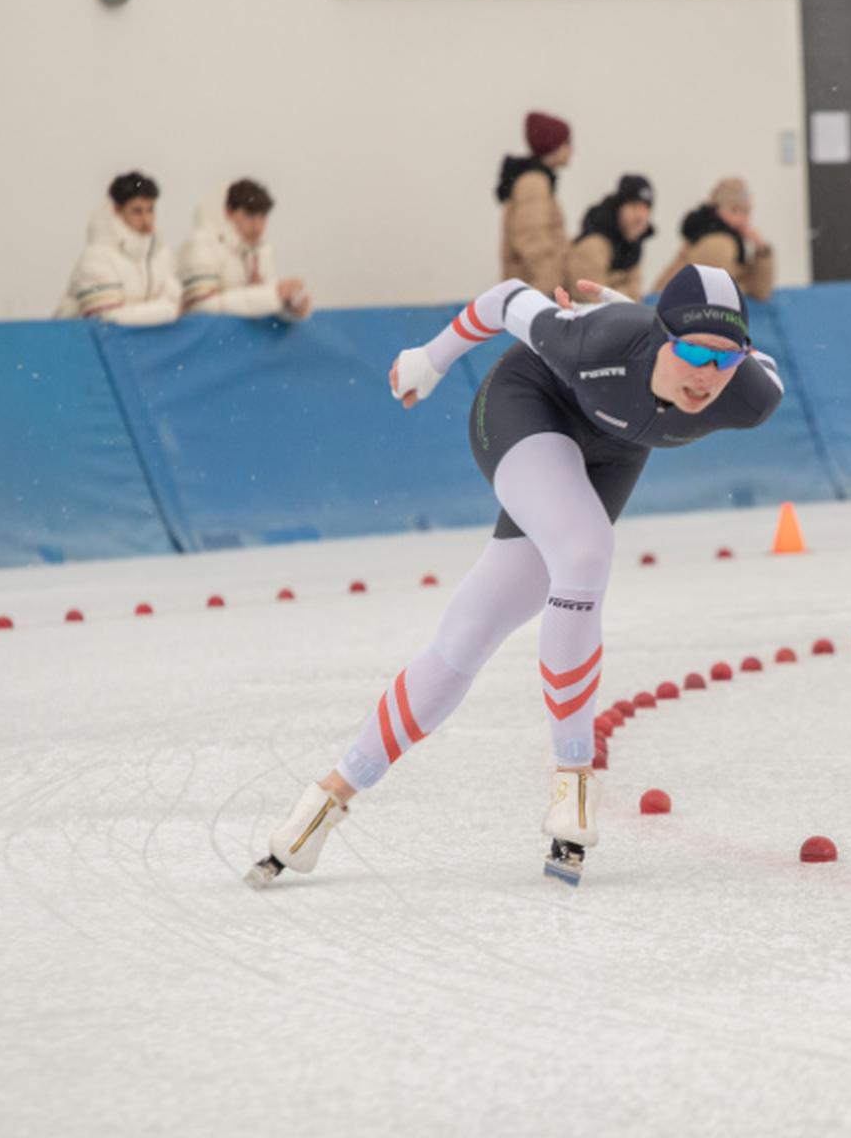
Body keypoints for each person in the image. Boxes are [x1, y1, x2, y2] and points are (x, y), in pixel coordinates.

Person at [247, 264, 785, 889]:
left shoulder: (750, 393)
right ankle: (575, 780)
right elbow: (506, 300)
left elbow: (766, 370)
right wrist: (432, 355)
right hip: (527, 406)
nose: (707, 375)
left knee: (469, 634)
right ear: (663, 335)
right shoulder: (595, 343)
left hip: (610, 455)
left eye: (726, 358)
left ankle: (324, 800)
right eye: (692, 350)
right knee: (585, 554)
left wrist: (655, 319)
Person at [55, 171, 181, 324]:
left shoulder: (162, 255)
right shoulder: (97, 257)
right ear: (117, 211)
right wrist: (166, 311)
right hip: (79, 345)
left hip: (135, 345)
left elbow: (177, 303)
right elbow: (108, 317)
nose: (147, 219)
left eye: (150, 209)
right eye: (137, 211)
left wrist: (165, 310)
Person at [178, 178, 311, 319]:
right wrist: (274, 295)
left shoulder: (258, 251)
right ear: (228, 211)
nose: (258, 226)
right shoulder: (200, 245)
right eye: (250, 215)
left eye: (263, 216)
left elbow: (265, 304)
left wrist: (290, 305)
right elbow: (201, 306)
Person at [652, 177, 775, 301]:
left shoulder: (733, 244)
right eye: (734, 210)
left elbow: (760, 292)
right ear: (717, 210)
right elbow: (717, 298)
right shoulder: (717, 244)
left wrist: (761, 249)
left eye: (746, 212)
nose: (741, 219)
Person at [497, 111, 573, 296]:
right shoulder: (534, 183)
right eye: (567, 143)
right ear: (554, 146)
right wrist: (551, 286)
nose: (571, 149)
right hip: (536, 290)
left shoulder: (537, 181)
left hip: (533, 290)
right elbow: (531, 238)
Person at [567, 174, 654, 304]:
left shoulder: (632, 249)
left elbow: (633, 302)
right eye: (634, 206)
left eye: (646, 209)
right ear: (619, 207)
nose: (640, 216)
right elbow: (592, 302)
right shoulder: (594, 245)